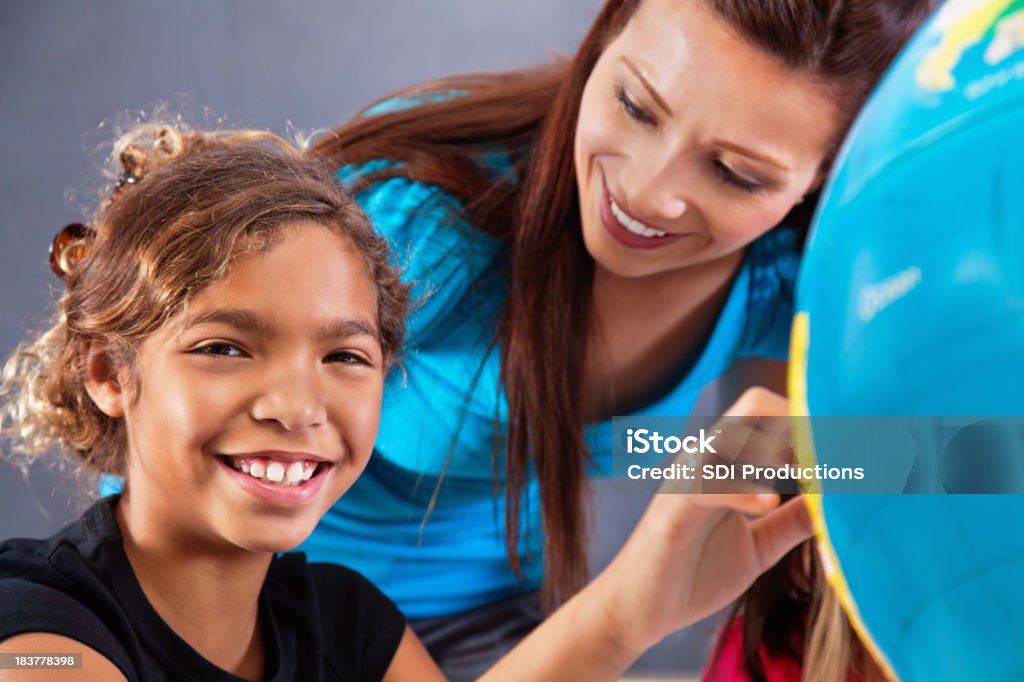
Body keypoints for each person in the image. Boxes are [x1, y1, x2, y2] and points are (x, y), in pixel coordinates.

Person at [0, 119, 818, 681]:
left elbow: (876, 452)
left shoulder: (349, 623)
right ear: (108, 373)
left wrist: (646, 600)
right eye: (224, 348)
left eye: (345, 356)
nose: (297, 403)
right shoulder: (41, 629)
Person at [304, 0, 937, 676]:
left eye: (735, 174)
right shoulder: (420, 227)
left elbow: (942, 456)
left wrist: (753, 455)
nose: (646, 190)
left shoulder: (782, 273)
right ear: (604, 37)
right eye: (636, 106)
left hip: (500, 620)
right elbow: (196, 441)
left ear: (823, 181)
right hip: (284, 598)